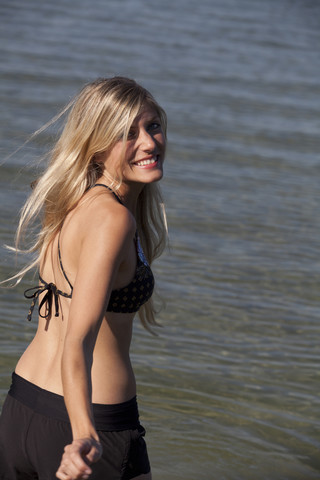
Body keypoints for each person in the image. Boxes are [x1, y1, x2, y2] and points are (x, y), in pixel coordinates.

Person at [0, 76, 167, 480]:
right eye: (127, 133)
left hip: (22, 409)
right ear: (96, 145)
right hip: (92, 425)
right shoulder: (112, 219)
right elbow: (78, 339)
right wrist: (82, 434)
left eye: (153, 125)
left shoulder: (72, 202)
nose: (148, 142)